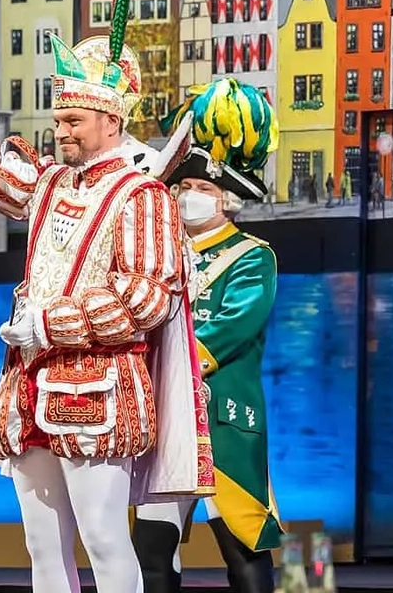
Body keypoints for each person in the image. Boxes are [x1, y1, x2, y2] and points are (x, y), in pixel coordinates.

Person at [0, 22, 211, 593]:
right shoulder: (50, 184)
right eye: (58, 119)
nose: (59, 130)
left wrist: (50, 322)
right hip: (31, 387)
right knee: (41, 544)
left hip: (98, 393)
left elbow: (147, 297)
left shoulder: (144, 197)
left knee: (105, 539)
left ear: (111, 120)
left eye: (72, 121)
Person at [133, 79, 284, 593]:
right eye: (183, 188)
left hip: (220, 423)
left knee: (244, 552)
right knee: (150, 554)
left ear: (228, 200)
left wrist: (171, 361)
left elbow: (230, 327)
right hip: (164, 424)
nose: (187, 197)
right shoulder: (158, 256)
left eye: (201, 189)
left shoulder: (252, 257)